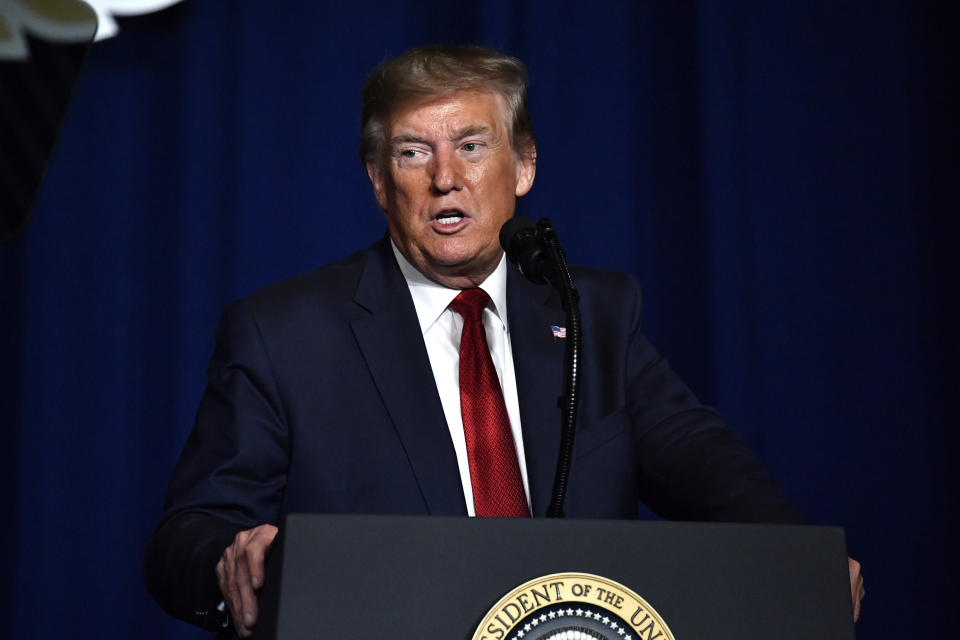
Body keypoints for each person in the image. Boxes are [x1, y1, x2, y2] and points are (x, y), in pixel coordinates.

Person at [144, 44, 864, 638]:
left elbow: (716, 476)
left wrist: (799, 565)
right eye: (411, 153)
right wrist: (230, 563)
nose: (444, 178)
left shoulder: (595, 316)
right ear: (376, 181)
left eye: (471, 145)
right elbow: (186, 534)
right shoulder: (285, 333)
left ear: (523, 167)